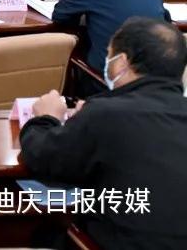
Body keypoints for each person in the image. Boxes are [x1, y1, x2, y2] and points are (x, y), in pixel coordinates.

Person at [20, 18, 187, 250]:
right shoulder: (106, 114)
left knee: (44, 232)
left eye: (109, 54)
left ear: (121, 63)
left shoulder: (107, 114)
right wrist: (89, 119)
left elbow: (41, 155)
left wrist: (45, 117)